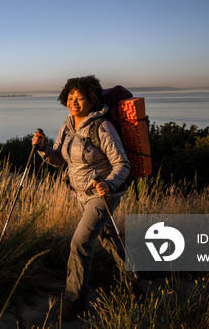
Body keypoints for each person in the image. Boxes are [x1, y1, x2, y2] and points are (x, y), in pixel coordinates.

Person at [32, 75, 139, 320]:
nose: (74, 102)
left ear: (91, 100)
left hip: (103, 195)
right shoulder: (67, 125)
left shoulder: (102, 126)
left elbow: (122, 164)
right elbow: (59, 159)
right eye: (70, 97)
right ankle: (135, 283)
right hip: (80, 195)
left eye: (80, 98)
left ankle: (74, 304)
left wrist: (109, 184)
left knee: (79, 243)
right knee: (110, 240)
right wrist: (42, 148)